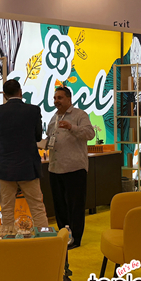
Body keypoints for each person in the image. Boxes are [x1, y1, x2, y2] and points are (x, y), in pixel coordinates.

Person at [0, 79, 49, 228]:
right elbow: (38, 137)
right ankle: (45, 238)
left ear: (4, 94)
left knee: (7, 208)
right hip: (28, 166)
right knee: (37, 207)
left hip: (4, 166)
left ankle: (8, 239)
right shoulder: (33, 110)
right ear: (20, 92)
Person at [46, 86, 95, 250]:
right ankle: (64, 236)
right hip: (55, 168)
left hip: (74, 168)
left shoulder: (80, 115)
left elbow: (90, 134)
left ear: (69, 99)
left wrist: (71, 127)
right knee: (59, 206)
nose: (56, 101)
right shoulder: (53, 118)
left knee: (75, 206)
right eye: (55, 98)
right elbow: (50, 138)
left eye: (60, 98)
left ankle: (76, 239)